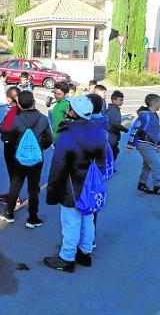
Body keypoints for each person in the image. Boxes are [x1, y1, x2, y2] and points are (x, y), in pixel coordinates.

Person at [44, 95, 108, 272]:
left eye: (69, 107)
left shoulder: (67, 136)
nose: (67, 109)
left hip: (71, 187)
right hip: (90, 185)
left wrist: (52, 193)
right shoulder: (100, 132)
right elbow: (102, 162)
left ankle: (67, 258)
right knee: (87, 218)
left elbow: (58, 168)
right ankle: (85, 253)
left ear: (73, 113)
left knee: (71, 222)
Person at [0, 90, 53, 227]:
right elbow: (49, 140)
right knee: (34, 188)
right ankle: (33, 217)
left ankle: (9, 213)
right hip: (36, 159)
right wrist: (39, 149)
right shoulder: (43, 118)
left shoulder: (17, 120)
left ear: (20, 105)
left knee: (15, 185)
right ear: (34, 102)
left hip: (19, 158)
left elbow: (10, 140)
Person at [126, 94, 160, 195]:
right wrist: (130, 144)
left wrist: (159, 143)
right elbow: (135, 129)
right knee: (156, 165)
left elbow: (157, 131)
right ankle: (157, 186)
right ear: (154, 104)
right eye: (159, 102)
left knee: (148, 165)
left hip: (150, 144)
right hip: (144, 143)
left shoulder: (154, 115)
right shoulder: (145, 116)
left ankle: (142, 184)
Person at [0, 86, 22, 204]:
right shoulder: (22, 108)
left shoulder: (13, 110)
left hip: (11, 144)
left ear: (8, 99)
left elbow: (6, 128)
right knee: (15, 172)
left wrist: (1, 128)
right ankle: (13, 194)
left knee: (13, 172)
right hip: (19, 144)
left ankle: (14, 197)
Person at [105, 90, 129, 163]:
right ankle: (108, 168)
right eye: (120, 100)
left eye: (122, 100)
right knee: (112, 152)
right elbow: (113, 124)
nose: (122, 101)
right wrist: (124, 129)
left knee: (113, 151)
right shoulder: (113, 110)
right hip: (111, 135)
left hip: (113, 135)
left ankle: (109, 166)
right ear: (113, 100)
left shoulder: (115, 109)